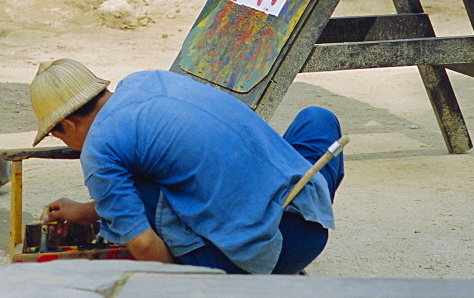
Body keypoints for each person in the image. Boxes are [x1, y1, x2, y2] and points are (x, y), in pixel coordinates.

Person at [31, 60, 345, 274]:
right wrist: (86, 211)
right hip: (309, 213)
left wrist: (184, 283)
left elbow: (142, 243)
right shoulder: (147, 80)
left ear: (67, 124)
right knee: (317, 119)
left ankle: (250, 273)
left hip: (276, 249)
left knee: (140, 198)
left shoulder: (99, 151)